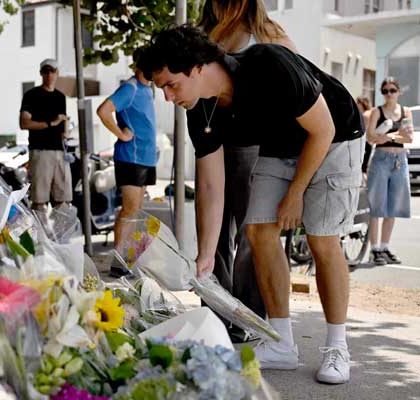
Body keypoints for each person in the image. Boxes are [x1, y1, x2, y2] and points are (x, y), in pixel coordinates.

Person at [142, 24, 364, 384]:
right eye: (161, 88)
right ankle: (281, 344)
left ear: (198, 67)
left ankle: (338, 346)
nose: (167, 97)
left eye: (171, 84)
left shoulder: (268, 64)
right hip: (281, 146)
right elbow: (212, 186)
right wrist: (207, 256)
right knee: (259, 231)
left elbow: (321, 130)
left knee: (322, 239)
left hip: (335, 136)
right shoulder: (199, 109)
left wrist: (295, 193)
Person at [194, 0, 298, 342]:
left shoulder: (268, 33)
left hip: (255, 146)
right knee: (212, 231)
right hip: (212, 142)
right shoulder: (204, 32)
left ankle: (249, 313)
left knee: (252, 233)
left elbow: (295, 84)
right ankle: (216, 309)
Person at [96, 48, 157, 261]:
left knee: (137, 210)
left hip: (146, 157)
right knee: (130, 209)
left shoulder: (149, 89)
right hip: (130, 157)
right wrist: (121, 134)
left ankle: (128, 259)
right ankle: (119, 260)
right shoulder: (130, 88)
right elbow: (103, 110)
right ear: (139, 65)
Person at [365, 78, 414, 265]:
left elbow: (408, 138)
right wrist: (394, 134)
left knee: (393, 206)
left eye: (392, 90)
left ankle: (385, 246)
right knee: (377, 206)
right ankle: (374, 249)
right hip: (381, 161)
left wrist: (387, 135)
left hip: (399, 161)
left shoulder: (405, 112)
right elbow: (371, 136)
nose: (389, 94)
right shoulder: (377, 112)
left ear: (399, 91)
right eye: (385, 90)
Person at [19, 59, 71, 213]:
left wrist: (65, 129)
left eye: (53, 71)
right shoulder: (31, 95)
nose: (49, 74)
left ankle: (60, 236)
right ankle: (40, 236)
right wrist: (50, 123)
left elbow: (63, 121)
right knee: (39, 201)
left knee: (64, 199)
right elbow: (24, 123)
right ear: (41, 73)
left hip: (60, 151)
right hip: (40, 151)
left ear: (57, 73)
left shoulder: (60, 97)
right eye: (46, 71)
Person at [357, 96, 373, 178]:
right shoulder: (370, 112)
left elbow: (363, 130)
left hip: (365, 142)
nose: (356, 105)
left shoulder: (365, 114)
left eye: (358, 103)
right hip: (369, 143)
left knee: (363, 168)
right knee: (365, 167)